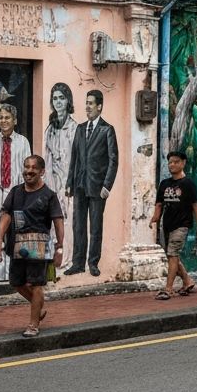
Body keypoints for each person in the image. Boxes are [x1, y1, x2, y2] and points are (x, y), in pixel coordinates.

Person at [0, 154, 64, 339]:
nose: (29, 171)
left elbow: (58, 220)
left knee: (36, 284)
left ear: (42, 172)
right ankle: (38, 307)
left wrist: (60, 247)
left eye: (33, 168)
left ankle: (33, 325)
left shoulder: (49, 195)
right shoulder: (16, 192)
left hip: (39, 248)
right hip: (17, 246)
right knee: (16, 283)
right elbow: (6, 216)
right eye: (26, 167)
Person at [64, 89, 118, 276]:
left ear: (99, 106)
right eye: (86, 103)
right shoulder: (80, 128)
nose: (87, 107)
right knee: (78, 225)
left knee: (95, 227)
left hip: (97, 187)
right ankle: (78, 263)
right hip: (79, 185)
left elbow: (113, 159)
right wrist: (69, 182)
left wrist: (107, 186)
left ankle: (93, 263)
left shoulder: (107, 130)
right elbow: (74, 158)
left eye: (91, 103)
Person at [0, 104, 31, 283]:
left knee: (16, 233)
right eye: (1, 117)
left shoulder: (22, 142)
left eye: (7, 118)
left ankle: (14, 273)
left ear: (15, 120)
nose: (4, 121)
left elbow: (28, 170)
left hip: (16, 193)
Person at [149, 150, 197, 299]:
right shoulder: (164, 184)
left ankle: (168, 289)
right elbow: (159, 204)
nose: (172, 165)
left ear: (183, 163)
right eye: (170, 162)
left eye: (175, 162)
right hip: (167, 225)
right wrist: (155, 217)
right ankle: (187, 281)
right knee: (171, 256)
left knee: (173, 254)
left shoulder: (188, 184)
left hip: (182, 225)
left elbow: (195, 206)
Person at [44, 82, 77, 262]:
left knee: (68, 220)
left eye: (61, 98)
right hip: (53, 181)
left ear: (68, 101)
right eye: (55, 98)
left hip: (69, 183)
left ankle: (67, 259)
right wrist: (48, 185)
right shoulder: (50, 129)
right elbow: (47, 159)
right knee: (52, 221)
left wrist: (70, 183)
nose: (58, 102)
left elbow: (76, 159)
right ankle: (53, 259)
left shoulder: (74, 128)